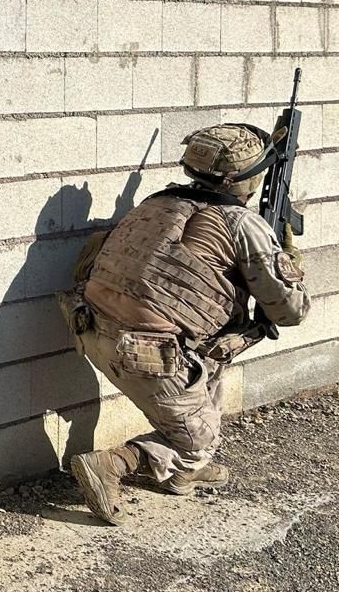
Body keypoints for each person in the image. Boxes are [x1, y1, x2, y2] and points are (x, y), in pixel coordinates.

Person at [63, 123, 310, 525]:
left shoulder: (156, 204)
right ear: (241, 179)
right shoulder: (241, 224)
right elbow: (289, 311)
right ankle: (117, 463)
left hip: (90, 329)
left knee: (211, 355)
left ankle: (185, 468)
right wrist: (289, 265)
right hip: (146, 355)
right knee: (197, 443)